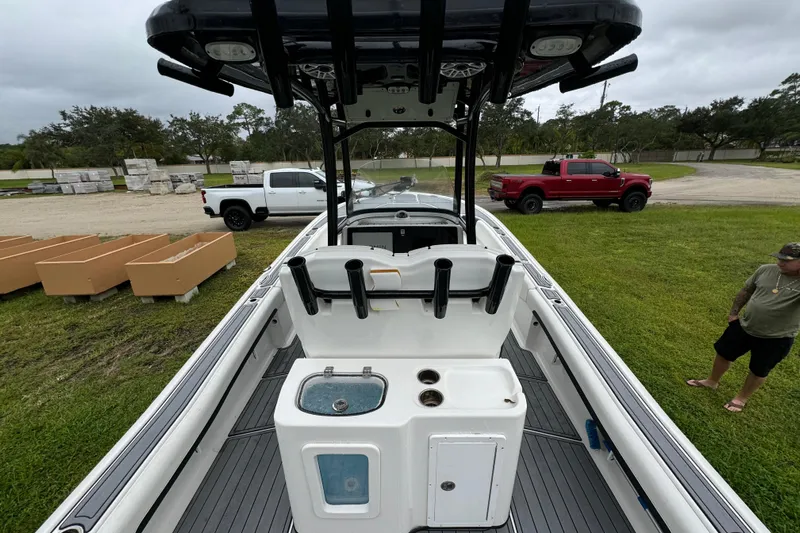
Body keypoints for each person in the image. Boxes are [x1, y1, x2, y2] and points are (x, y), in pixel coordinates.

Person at [686, 243, 800, 412]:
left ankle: (741, 398)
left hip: (776, 337)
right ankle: (712, 381)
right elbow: (747, 290)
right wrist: (734, 313)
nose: (780, 263)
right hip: (745, 326)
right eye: (779, 258)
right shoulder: (765, 270)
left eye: (786, 261)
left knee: (759, 370)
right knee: (723, 353)